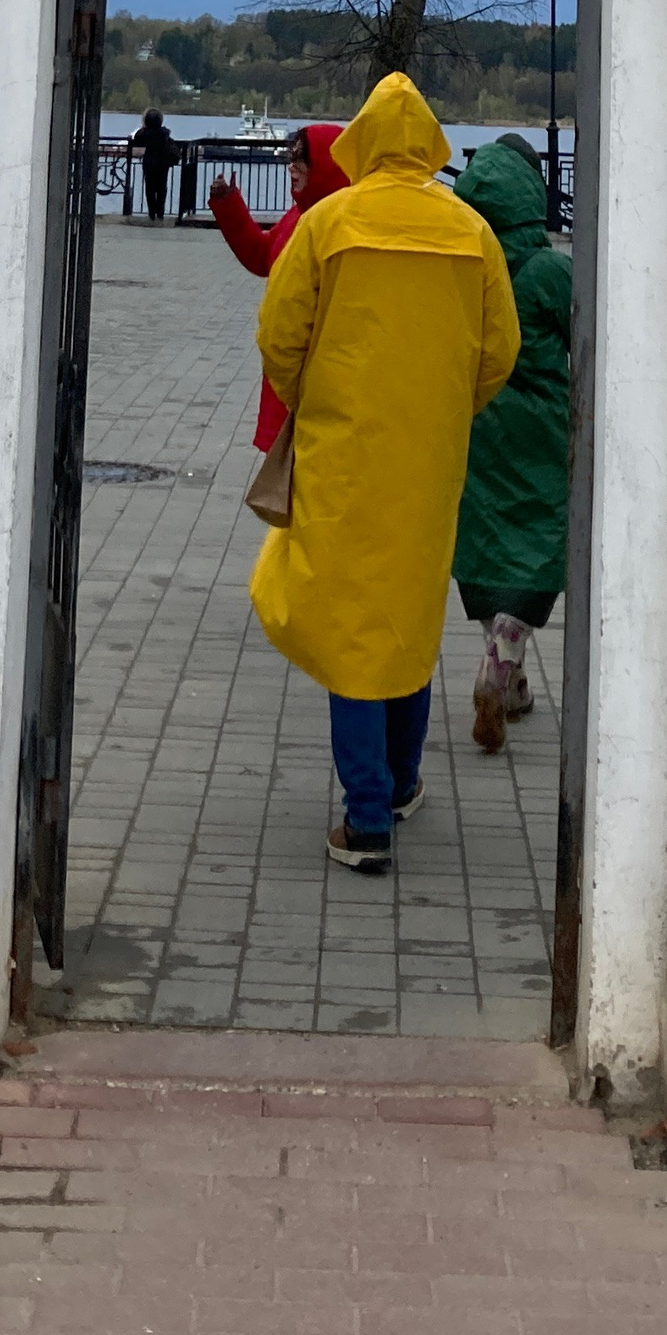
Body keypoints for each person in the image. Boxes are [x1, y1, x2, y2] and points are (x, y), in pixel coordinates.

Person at [249, 74, 519, 873]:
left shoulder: (328, 222)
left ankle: (367, 819)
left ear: (363, 140)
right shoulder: (472, 231)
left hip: (344, 453)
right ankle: (401, 782)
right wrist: (448, 408)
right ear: (431, 144)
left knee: (353, 624)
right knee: (406, 614)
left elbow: (278, 334)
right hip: (430, 455)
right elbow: (499, 350)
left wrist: (315, 398)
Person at [449, 135, 573, 752]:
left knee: (488, 543)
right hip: (542, 430)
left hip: (477, 424)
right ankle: (501, 665)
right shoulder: (551, 270)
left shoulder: (464, 261)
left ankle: (513, 681)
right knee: (536, 545)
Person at [208, 123, 346, 448]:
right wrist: (230, 206)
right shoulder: (299, 215)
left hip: (311, 381)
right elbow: (263, 255)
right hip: (289, 378)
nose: (291, 167)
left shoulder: (333, 225)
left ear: (325, 165)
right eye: (290, 157)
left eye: (301, 159)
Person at [134, 105, 176, 224]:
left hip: (150, 163)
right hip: (163, 163)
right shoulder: (164, 133)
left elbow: (137, 139)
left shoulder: (145, 133)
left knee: (150, 189)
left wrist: (143, 127)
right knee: (162, 188)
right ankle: (160, 213)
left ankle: (152, 213)